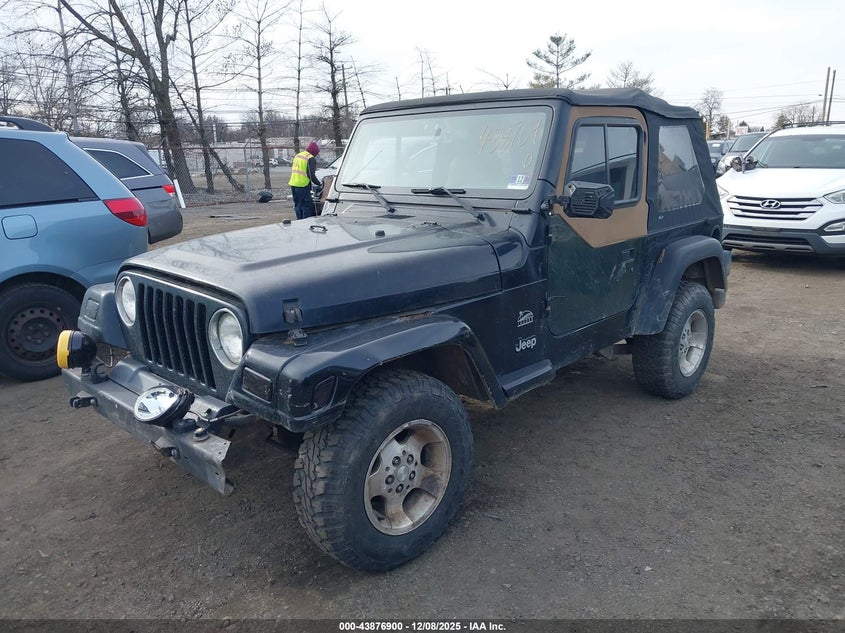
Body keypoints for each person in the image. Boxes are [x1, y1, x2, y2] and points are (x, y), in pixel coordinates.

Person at [288, 141, 322, 219]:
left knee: (298, 205)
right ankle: (306, 223)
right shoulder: (310, 158)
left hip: (293, 183)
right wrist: (319, 184)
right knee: (306, 205)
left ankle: (299, 221)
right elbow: (311, 175)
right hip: (302, 185)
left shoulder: (298, 155)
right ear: (314, 151)